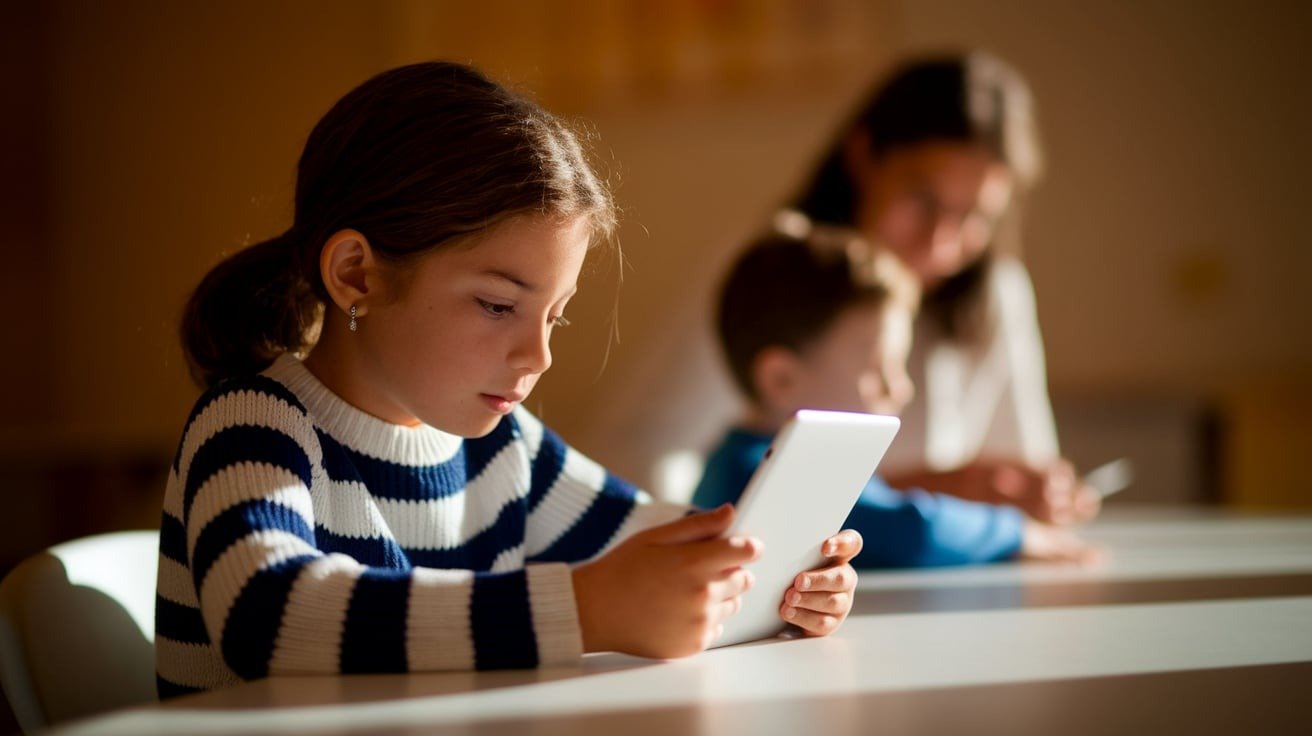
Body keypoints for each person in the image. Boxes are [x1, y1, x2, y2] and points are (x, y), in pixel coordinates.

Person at [156, 61, 861, 698]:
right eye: (498, 306)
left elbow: (663, 546)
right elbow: (266, 616)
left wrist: (784, 579)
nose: (538, 355)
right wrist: (583, 610)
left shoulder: (503, 446)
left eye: (556, 317)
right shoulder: (252, 425)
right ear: (355, 275)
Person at [789, 52, 1099, 526]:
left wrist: (1039, 496)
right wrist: (932, 489)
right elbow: (664, 470)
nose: (940, 243)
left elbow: (1023, 472)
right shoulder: (772, 271)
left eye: (974, 216)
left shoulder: (996, 292)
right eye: (922, 200)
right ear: (863, 156)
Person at [691, 222, 1094, 567]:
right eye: (878, 369)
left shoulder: (761, 457)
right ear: (781, 380)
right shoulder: (761, 472)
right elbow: (914, 530)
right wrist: (1017, 534)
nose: (901, 388)